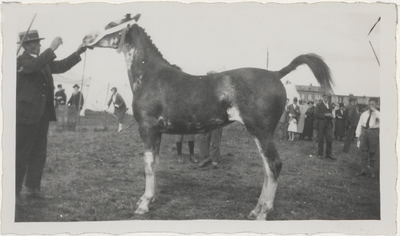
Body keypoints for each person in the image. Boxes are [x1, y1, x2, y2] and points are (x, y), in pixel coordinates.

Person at [16, 30, 86, 201]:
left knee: (39, 153)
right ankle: (14, 190)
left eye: (40, 43)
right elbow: (33, 67)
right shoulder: (21, 60)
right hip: (26, 115)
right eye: (37, 43)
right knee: (22, 153)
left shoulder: (43, 61)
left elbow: (61, 66)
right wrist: (51, 48)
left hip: (42, 116)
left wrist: (78, 52)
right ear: (27, 45)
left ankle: (33, 188)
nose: (40, 45)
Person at [355, 98, 380, 178]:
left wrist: (375, 111)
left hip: (373, 132)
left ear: (376, 105)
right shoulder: (364, 114)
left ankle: (372, 171)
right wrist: (358, 135)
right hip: (365, 132)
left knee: (372, 152)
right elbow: (359, 125)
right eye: (369, 104)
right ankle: (363, 170)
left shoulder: (378, 114)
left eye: (373, 104)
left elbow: (381, 121)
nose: (370, 106)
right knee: (364, 151)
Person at [314, 93, 335, 160]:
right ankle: (320, 154)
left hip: (328, 123)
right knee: (321, 139)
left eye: (328, 98)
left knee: (329, 139)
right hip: (321, 123)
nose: (326, 99)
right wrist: (325, 115)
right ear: (323, 97)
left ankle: (328, 154)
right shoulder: (319, 105)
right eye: (325, 97)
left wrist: (331, 116)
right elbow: (316, 114)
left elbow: (331, 114)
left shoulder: (330, 105)